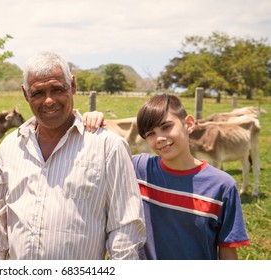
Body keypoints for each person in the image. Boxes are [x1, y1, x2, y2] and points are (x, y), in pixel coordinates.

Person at [0, 51, 146, 260]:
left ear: (73, 86)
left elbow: (126, 228)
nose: (49, 101)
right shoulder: (11, 147)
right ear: (25, 94)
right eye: (38, 93)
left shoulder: (107, 146)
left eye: (57, 89)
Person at [84, 94, 250, 259]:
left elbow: (227, 252)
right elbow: (100, 162)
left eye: (166, 126)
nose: (160, 138)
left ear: (189, 124)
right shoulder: (139, 168)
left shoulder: (222, 186)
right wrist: (93, 121)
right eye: (151, 133)